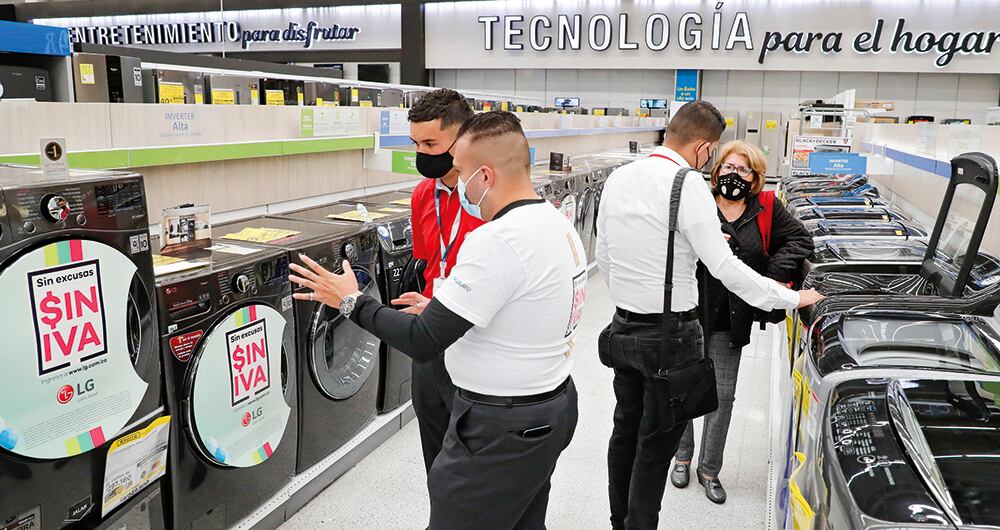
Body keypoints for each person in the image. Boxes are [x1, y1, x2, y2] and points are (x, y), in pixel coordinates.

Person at [289, 111, 586, 529]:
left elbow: (423, 340)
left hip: (501, 429)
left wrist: (351, 301)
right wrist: (446, 308)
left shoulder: (498, 239)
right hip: (549, 408)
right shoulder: (554, 222)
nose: (456, 182)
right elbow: (528, 305)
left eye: (461, 172)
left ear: (484, 176)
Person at [595, 100, 823, 530]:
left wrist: (633, 298)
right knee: (655, 444)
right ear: (703, 147)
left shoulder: (620, 177)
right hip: (671, 336)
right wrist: (792, 298)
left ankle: (617, 520)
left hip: (623, 327)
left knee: (624, 433)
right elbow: (726, 268)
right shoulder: (687, 183)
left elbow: (605, 254)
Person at [672, 141, 814, 504]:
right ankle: (682, 457)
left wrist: (768, 276)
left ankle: (710, 469)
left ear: (755, 179)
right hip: (688, 313)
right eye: (728, 168)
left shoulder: (766, 208)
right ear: (716, 171)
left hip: (730, 319)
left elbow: (800, 240)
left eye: (744, 170)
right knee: (682, 389)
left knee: (722, 396)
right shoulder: (698, 203)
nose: (734, 175)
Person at [397, 88, 484, 477]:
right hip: (430, 335)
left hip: (477, 338)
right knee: (434, 446)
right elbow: (430, 261)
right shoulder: (421, 195)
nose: (422, 153)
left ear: (462, 138)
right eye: (416, 143)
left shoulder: (490, 198)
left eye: (431, 143)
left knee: (473, 451)